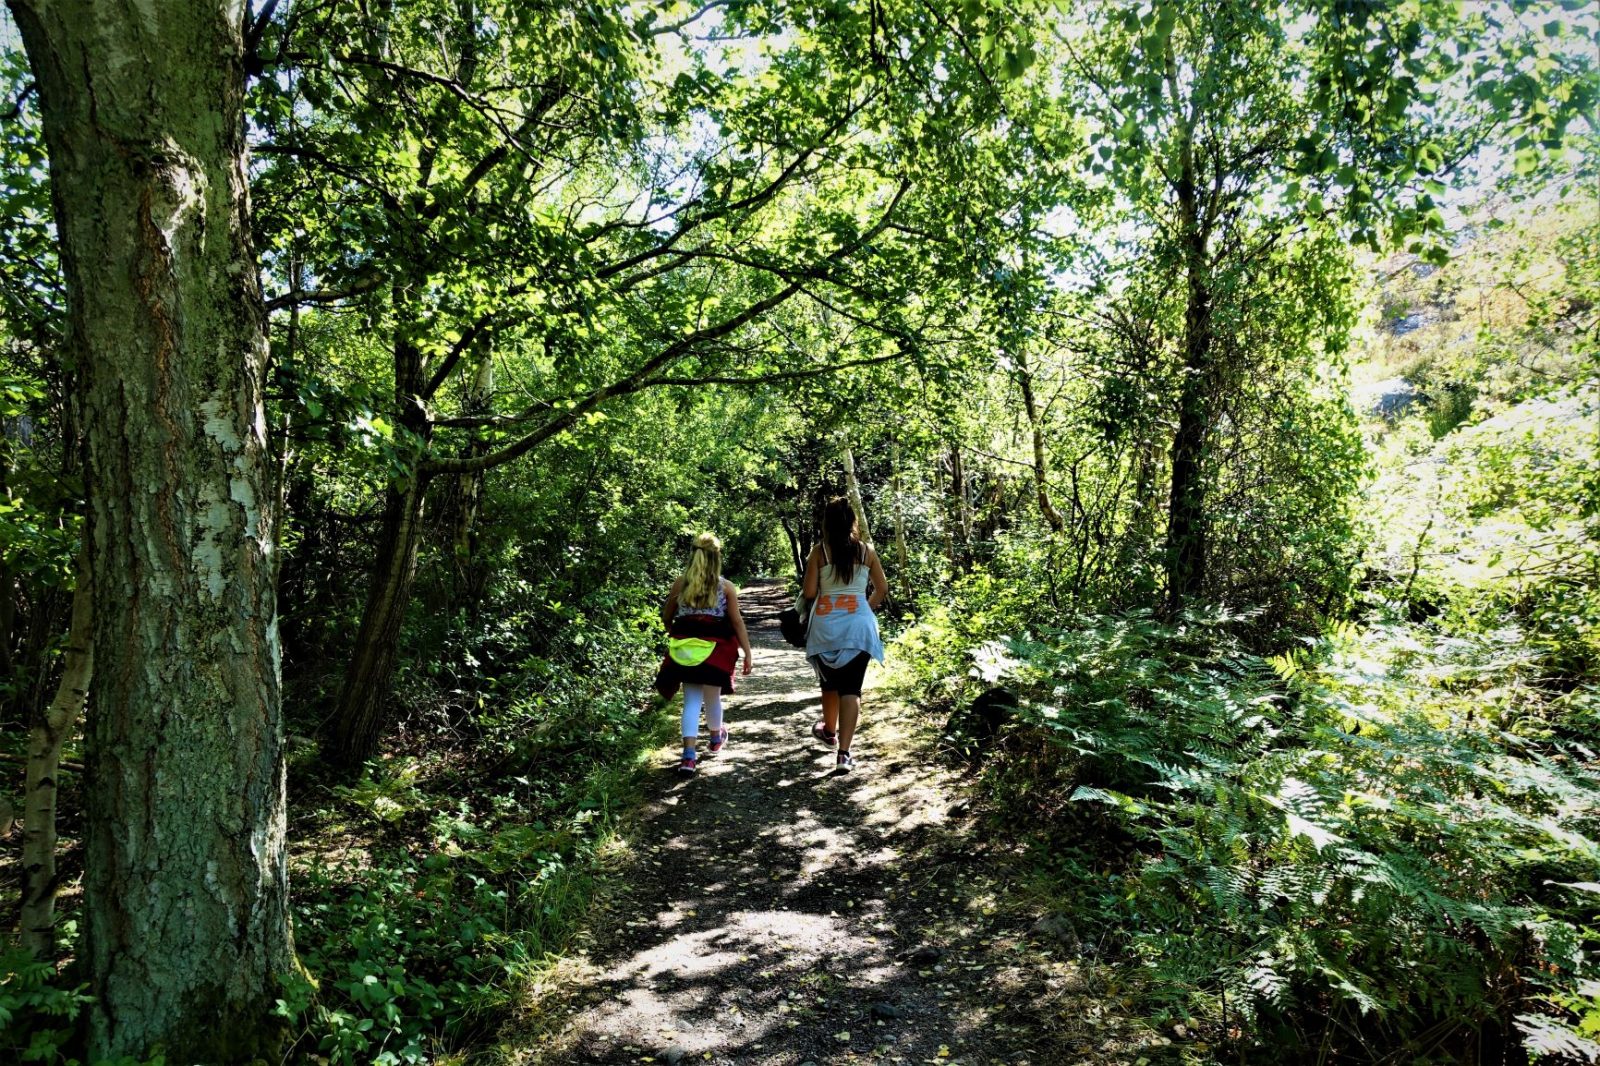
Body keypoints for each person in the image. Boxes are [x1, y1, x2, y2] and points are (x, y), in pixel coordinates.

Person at [655, 533, 753, 773]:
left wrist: (675, 634)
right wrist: (747, 652)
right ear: (716, 557)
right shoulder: (726, 586)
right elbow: (737, 622)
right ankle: (716, 738)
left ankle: (688, 756)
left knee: (691, 701)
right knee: (712, 697)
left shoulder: (681, 584)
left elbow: (667, 616)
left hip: (687, 651)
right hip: (715, 652)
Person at [802, 496, 888, 771]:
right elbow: (882, 589)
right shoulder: (867, 551)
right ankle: (844, 753)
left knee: (829, 684)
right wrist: (864, 608)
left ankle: (828, 729)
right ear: (852, 520)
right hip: (859, 628)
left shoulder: (820, 552)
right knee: (851, 689)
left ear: (826, 523)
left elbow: (810, 593)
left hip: (825, 627)